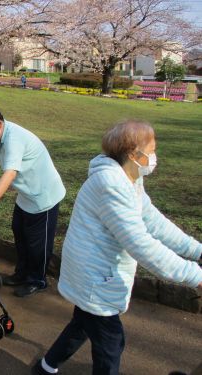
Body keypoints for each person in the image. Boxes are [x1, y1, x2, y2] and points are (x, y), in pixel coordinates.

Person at [32, 120, 202, 375]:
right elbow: (141, 243)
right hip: (94, 279)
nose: (155, 157)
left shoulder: (129, 178)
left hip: (94, 273)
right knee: (111, 344)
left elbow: (154, 222)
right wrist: (196, 276)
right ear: (134, 155)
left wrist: (197, 250)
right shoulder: (111, 184)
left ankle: (45, 367)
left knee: (82, 324)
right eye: (152, 150)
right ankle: (46, 368)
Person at [0, 103, 66, 298]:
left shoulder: (14, 139)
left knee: (38, 243)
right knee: (20, 232)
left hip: (43, 196)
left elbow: (10, 174)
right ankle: (22, 273)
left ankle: (37, 280)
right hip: (26, 195)